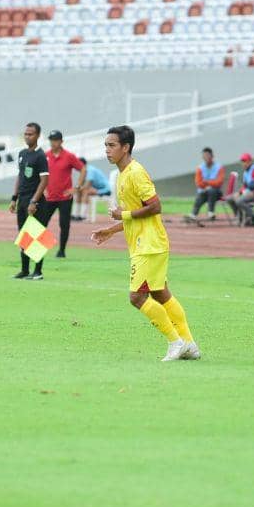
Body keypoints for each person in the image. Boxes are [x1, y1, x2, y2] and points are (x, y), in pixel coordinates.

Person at [90, 125, 201, 362]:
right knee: (160, 293)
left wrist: (124, 216)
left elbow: (155, 206)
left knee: (137, 297)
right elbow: (135, 213)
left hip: (149, 245)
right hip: (148, 242)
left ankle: (175, 342)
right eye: (106, 146)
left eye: (112, 145)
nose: (107, 150)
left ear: (125, 147)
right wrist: (111, 230)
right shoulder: (122, 174)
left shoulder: (135, 172)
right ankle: (189, 344)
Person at [8, 122, 49, 279]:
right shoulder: (22, 153)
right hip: (22, 200)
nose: (27, 136)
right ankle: (25, 270)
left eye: (30, 134)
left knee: (36, 235)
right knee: (24, 235)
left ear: (38, 135)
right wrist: (14, 198)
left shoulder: (40, 156)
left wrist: (34, 201)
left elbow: (44, 181)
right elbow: (20, 176)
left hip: (35, 201)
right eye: (25, 134)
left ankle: (37, 271)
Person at [37, 130, 83, 259]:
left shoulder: (69, 156)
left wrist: (76, 188)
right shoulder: (45, 156)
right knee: (41, 222)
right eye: (51, 140)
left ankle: (61, 251)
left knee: (64, 224)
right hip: (48, 197)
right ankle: (38, 248)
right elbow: (39, 173)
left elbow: (83, 169)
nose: (53, 143)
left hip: (65, 197)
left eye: (56, 140)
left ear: (61, 141)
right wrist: (42, 189)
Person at [225, 152, 254, 226]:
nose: (244, 163)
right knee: (229, 198)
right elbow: (245, 186)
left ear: (250, 161)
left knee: (239, 201)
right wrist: (240, 192)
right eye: (242, 162)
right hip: (248, 192)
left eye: (245, 161)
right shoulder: (246, 172)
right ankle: (239, 216)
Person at [188, 147, 225, 220]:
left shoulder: (219, 167)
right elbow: (198, 183)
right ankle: (193, 214)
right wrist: (210, 184)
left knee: (212, 191)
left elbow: (219, 182)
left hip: (217, 193)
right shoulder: (200, 168)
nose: (206, 157)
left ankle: (211, 212)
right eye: (204, 156)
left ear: (212, 156)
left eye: (208, 155)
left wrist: (206, 182)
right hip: (203, 192)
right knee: (202, 194)